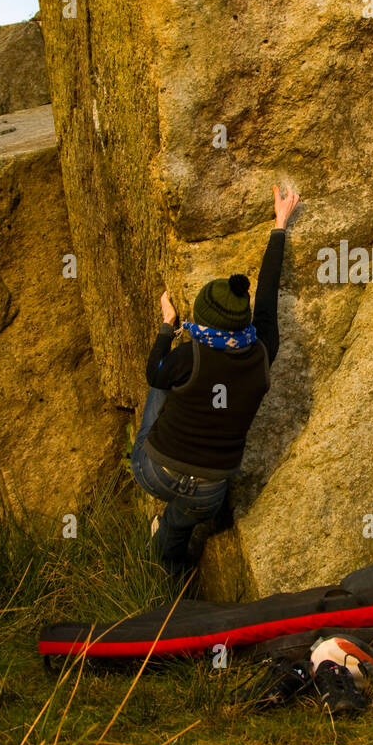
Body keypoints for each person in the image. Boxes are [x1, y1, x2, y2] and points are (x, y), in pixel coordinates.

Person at [131, 183, 301, 578]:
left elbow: (152, 370)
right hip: (210, 492)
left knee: (160, 382)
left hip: (155, 472)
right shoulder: (262, 352)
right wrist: (281, 225)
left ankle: (167, 559)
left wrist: (166, 327)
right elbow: (268, 295)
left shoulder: (187, 355)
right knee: (184, 516)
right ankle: (169, 558)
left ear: (202, 320)